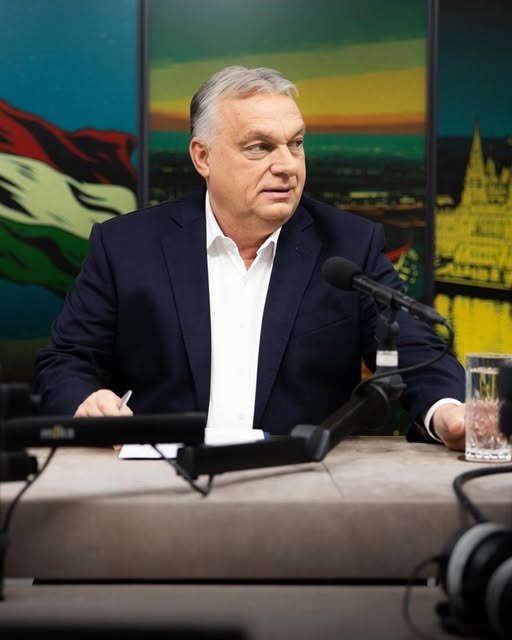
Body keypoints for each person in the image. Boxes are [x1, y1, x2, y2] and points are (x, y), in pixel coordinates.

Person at [31, 65, 466, 451]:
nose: (288, 165)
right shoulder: (126, 245)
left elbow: (416, 351)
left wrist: (449, 412)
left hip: (300, 482)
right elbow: (65, 361)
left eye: (295, 144)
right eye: (260, 147)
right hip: (160, 481)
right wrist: (86, 400)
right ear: (203, 157)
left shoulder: (349, 246)